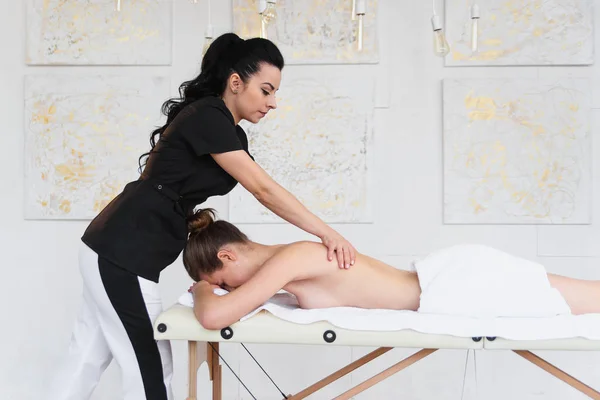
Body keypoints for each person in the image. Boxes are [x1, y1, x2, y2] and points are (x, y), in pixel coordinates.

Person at [50, 33, 356, 400]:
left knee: (85, 357)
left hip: (114, 247)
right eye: (266, 90)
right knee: (150, 370)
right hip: (122, 252)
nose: (273, 103)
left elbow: (259, 187)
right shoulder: (209, 115)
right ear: (236, 82)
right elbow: (265, 190)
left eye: (275, 93)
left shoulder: (229, 132)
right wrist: (327, 233)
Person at [184, 208, 600, 331]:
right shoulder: (286, 266)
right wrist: (207, 286)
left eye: (221, 282)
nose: (225, 290)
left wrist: (199, 292)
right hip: (450, 288)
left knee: (591, 297)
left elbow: (213, 316)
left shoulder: (289, 259)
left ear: (228, 257)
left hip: (462, 286)